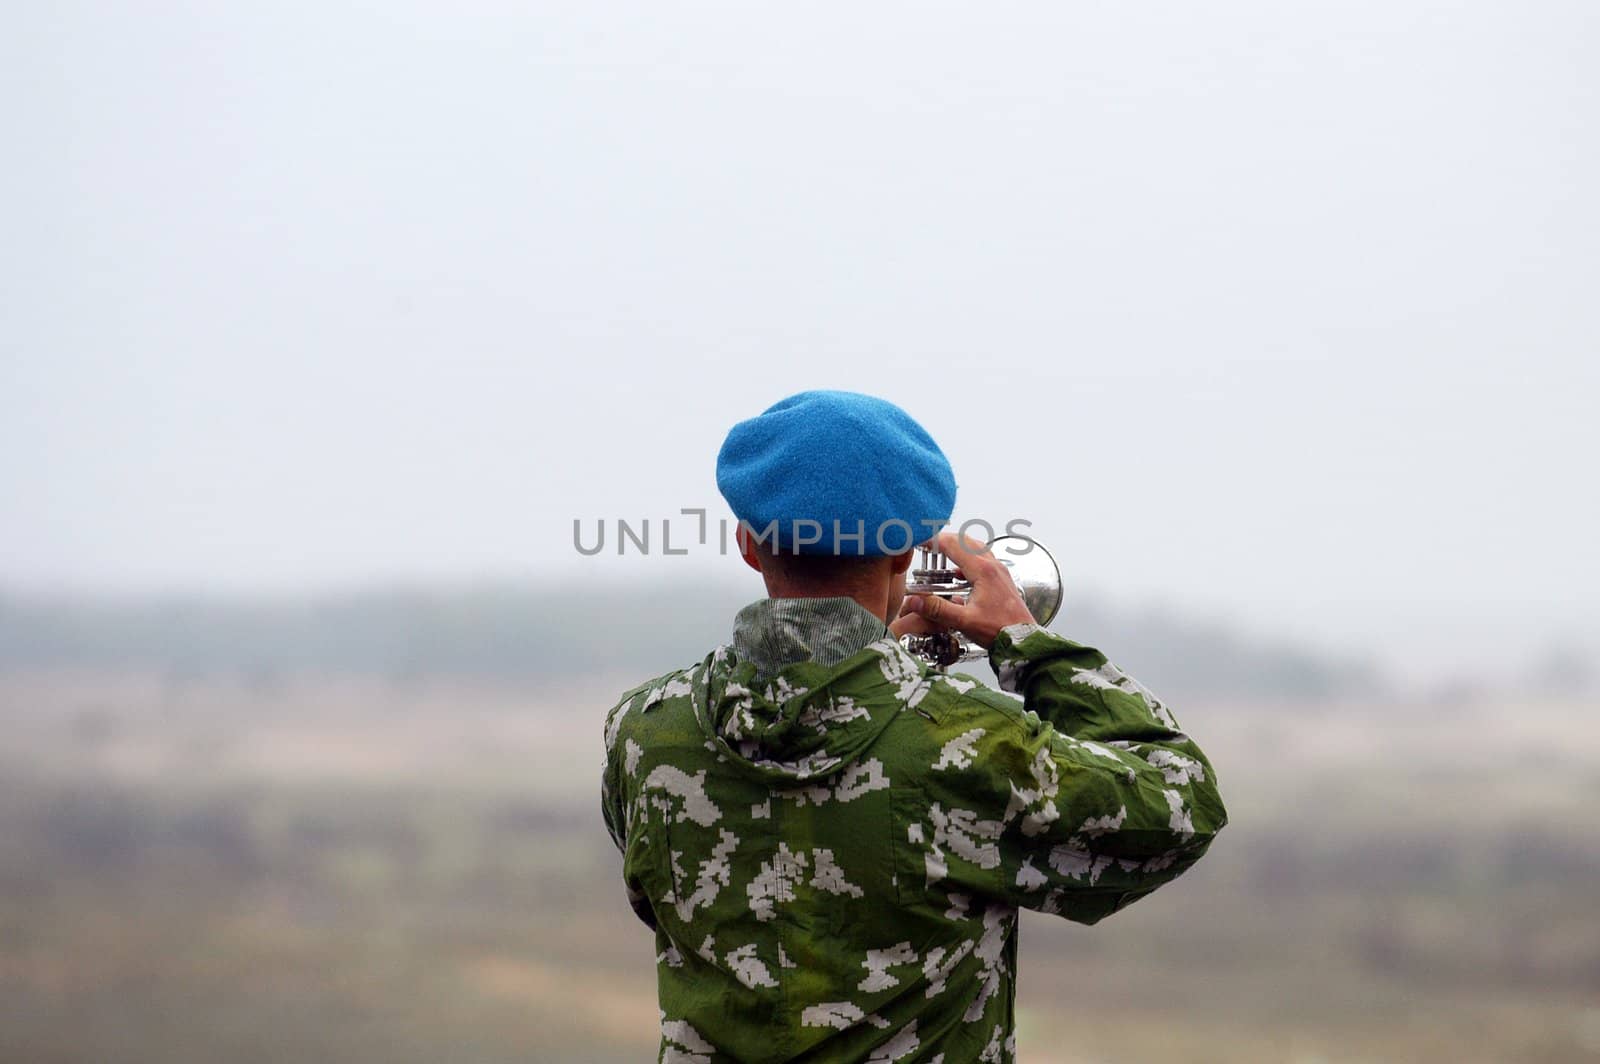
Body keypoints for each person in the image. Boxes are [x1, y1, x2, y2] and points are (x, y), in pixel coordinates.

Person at [601, 390, 1227, 1063]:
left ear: (749, 546)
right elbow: (1180, 804)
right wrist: (1028, 646)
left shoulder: (644, 731)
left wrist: (881, 672)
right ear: (904, 554)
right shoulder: (970, 743)